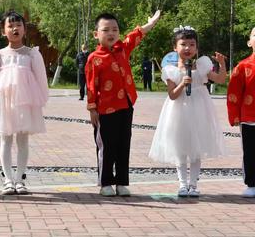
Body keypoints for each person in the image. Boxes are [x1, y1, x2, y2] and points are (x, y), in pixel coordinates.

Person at [86, 10, 161, 197]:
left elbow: (135, 36)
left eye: (115, 29)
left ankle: (121, 182)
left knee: (123, 144)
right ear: (96, 34)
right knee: (106, 146)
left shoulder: (122, 49)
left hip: (126, 105)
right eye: (106, 30)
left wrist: (150, 23)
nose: (111, 33)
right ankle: (105, 183)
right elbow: (91, 86)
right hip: (105, 109)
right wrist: (92, 109)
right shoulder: (94, 58)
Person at [149, 26, 227, 197]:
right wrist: (182, 84)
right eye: (183, 44)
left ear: (197, 48)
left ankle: (193, 185)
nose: (187, 48)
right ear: (174, 47)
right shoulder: (171, 71)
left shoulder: (203, 65)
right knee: (180, 147)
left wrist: (221, 64)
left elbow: (221, 79)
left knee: (196, 148)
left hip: (200, 109)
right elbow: (172, 95)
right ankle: (182, 184)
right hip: (178, 111)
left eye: (192, 45)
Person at [0, 11, 49, 195]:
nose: (14, 28)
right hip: (4, 104)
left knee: (23, 140)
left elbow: (41, 79)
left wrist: (39, 101)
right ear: (3, 31)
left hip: (26, 103)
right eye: (10, 26)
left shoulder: (32, 54)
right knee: (6, 139)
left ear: (25, 30)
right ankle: (8, 180)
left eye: (18, 25)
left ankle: (20, 179)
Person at [227, 26, 255, 198]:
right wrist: (235, 116)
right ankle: (252, 183)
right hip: (250, 118)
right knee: (251, 151)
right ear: (249, 42)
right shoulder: (243, 66)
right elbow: (233, 93)